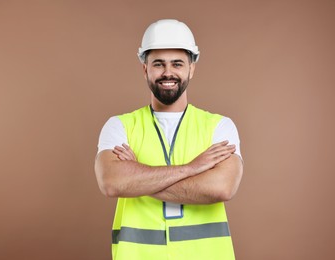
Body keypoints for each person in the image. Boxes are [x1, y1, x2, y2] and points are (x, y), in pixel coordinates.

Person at [95, 19, 244, 260]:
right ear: (145, 69)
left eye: (177, 64)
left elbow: (221, 187)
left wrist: (137, 180)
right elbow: (112, 182)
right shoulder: (119, 126)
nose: (168, 72)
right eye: (158, 64)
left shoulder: (219, 127)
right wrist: (192, 169)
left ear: (191, 68)